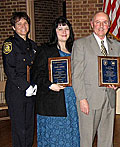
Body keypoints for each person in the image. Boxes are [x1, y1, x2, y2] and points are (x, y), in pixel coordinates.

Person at [71, 11, 120, 147]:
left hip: (109, 98)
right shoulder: (81, 44)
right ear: (92, 24)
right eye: (98, 22)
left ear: (109, 25)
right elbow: (76, 75)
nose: (101, 25)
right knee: (87, 140)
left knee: (107, 139)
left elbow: (119, 68)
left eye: (105, 22)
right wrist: (82, 99)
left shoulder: (116, 46)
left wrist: (117, 82)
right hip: (89, 99)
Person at [32, 16, 80, 146]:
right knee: (55, 135)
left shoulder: (75, 50)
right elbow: (36, 74)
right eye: (60, 29)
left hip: (71, 100)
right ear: (54, 31)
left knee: (71, 132)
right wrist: (50, 85)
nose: (64, 32)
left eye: (66, 28)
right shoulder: (45, 50)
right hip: (53, 101)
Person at [2, 12, 37, 147]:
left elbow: (35, 68)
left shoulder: (33, 45)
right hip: (16, 91)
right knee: (19, 128)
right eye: (19, 24)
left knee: (29, 126)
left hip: (31, 91)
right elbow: (10, 70)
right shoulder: (9, 44)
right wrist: (25, 86)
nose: (23, 26)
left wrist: (34, 85)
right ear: (13, 27)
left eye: (25, 23)